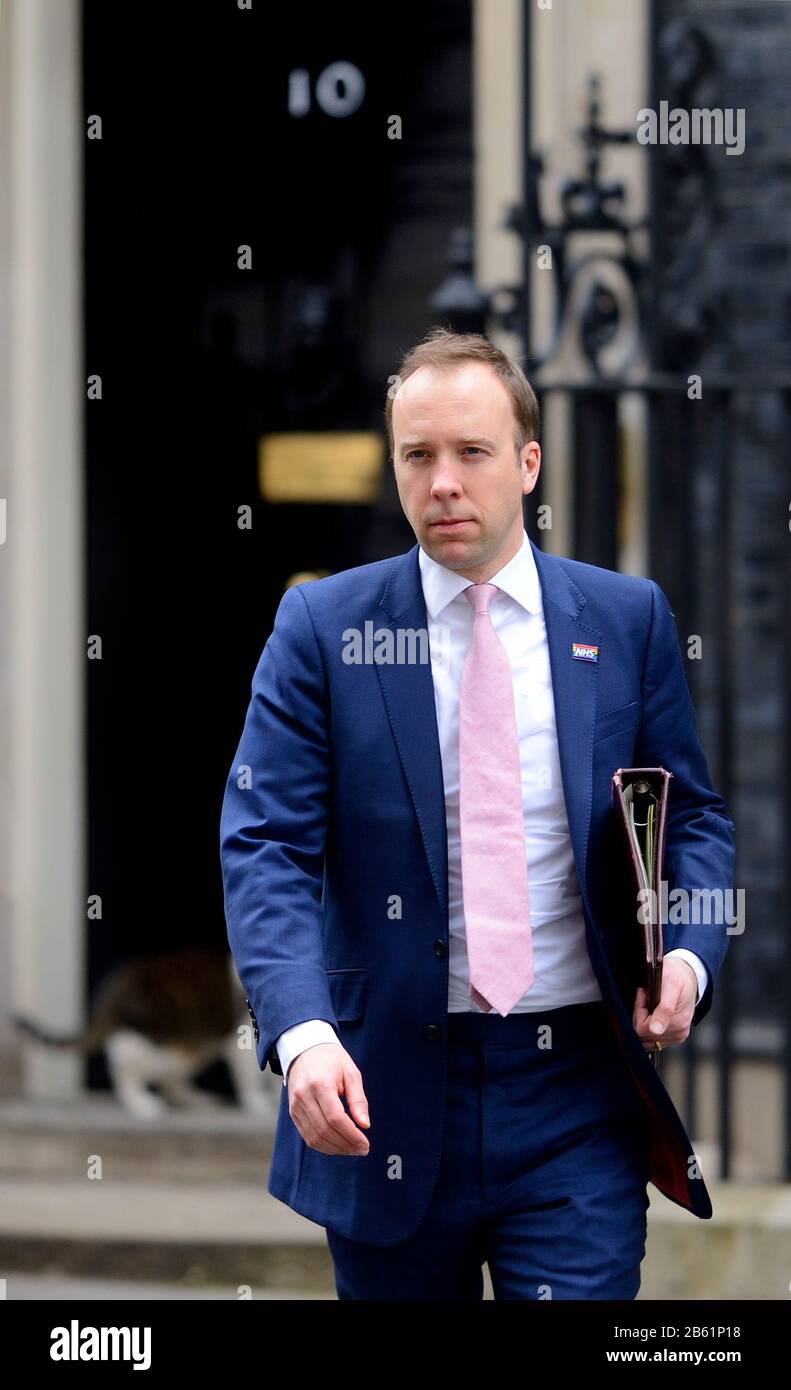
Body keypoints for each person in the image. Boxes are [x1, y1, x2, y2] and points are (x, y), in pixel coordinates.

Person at [219, 328, 735, 1300]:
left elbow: (694, 819)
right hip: (384, 1096)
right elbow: (264, 845)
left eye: (471, 452)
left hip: (575, 1091)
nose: (442, 482)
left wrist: (689, 953)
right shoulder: (325, 631)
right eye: (417, 455)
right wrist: (302, 1035)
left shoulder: (625, 620)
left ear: (527, 463)